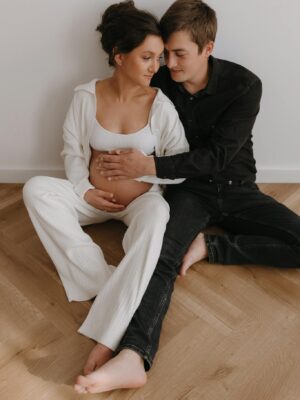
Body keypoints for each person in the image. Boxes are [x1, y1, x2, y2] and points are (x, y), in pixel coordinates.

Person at [74, 0, 300, 394]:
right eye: (166, 54)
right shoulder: (158, 80)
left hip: (237, 189)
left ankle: (213, 247)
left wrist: (149, 166)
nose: (169, 64)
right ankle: (132, 355)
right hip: (187, 192)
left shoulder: (244, 85)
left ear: (207, 48)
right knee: (160, 257)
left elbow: (217, 156)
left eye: (179, 54)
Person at [22, 0, 189, 393]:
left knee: (158, 216)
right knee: (36, 190)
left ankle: (107, 337)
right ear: (119, 56)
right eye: (147, 57)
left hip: (140, 201)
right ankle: (109, 282)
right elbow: (72, 154)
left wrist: (146, 168)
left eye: (160, 57)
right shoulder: (85, 96)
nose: (157, 66)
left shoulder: (161, 106)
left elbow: (181, 165)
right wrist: (85, 191)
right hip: (92, 199)